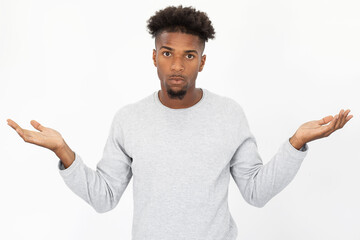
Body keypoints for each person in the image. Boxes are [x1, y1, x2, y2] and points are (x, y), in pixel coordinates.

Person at [7, 5, 353, 240]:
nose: (177, 66)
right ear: (155, 56)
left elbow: (256, 192)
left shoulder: (229, 115)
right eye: (168, 53)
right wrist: (63, 150)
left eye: (189, 56)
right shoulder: (129, 119)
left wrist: (295, 143)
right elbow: (105, 198)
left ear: (202, 62)